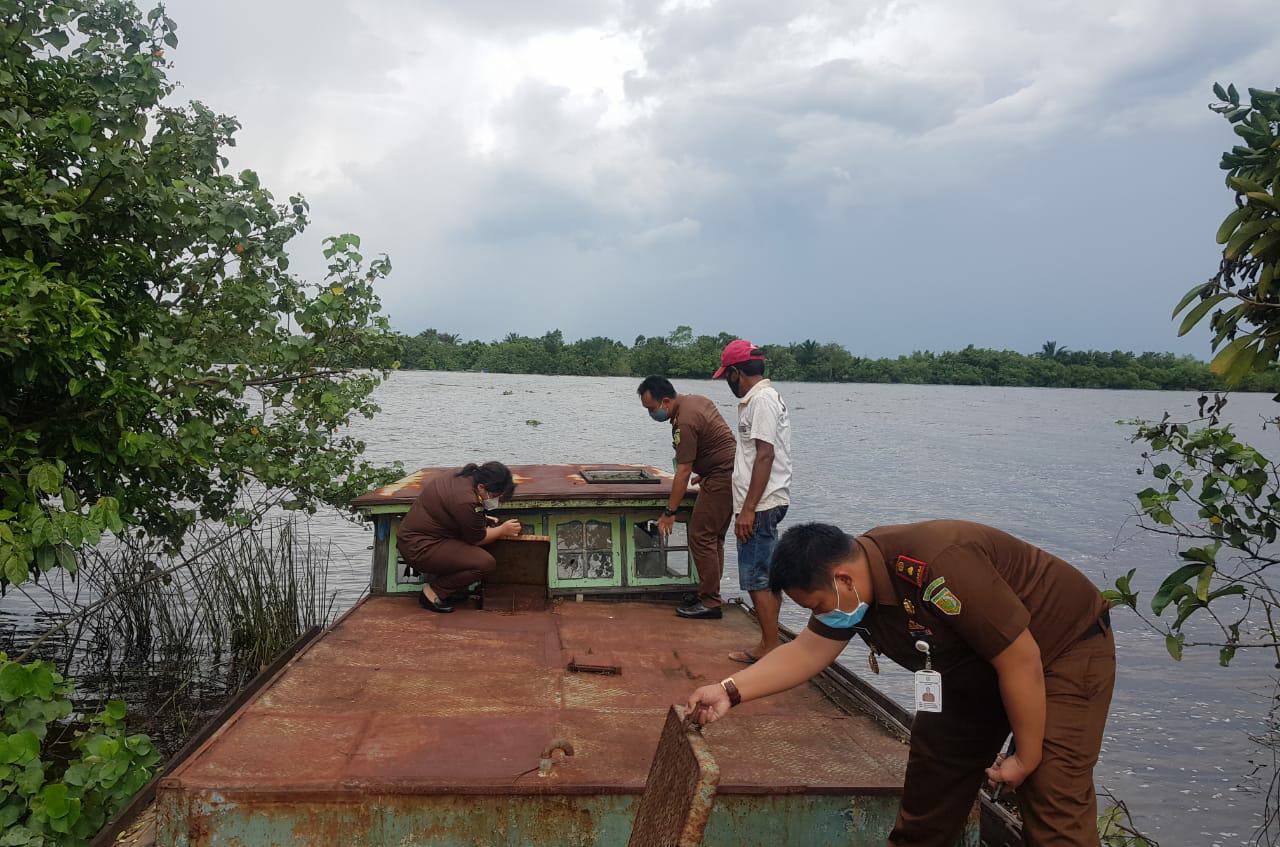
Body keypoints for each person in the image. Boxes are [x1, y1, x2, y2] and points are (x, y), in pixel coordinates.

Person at [686, 520, 1115, 847]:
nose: (821, 615)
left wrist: (1026, 756)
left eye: (817, 605)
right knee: (933, 777)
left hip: (1061, 650)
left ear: (843, 579)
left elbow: (1021, 660)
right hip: (973, 668)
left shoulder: (938, 566)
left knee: (1051, 793)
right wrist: (728, 690)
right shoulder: (854, 592)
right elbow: (806, 651)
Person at [712, 339, 792, 663]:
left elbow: (765, 455)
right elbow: (751, 455)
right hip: (759, 502)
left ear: (735, 373)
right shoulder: (758, 400)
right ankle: (771, 640)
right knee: (765, 573)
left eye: (726, 377)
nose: (727, 383)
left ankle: (769, 647)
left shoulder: (762, 402)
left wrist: (747, 510)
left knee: (757, 576)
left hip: (760, 505)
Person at [636, 375, 736, 619]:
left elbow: (682, 471)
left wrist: (669, 512)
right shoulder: (697, 401)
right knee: (714, 539)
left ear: (666, 401)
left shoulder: (685, 422)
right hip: (728, 472)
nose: (652, 414)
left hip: (722, 477)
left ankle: (710, 602)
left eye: (651, 408)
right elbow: (720, 441)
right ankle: (708, 592)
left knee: (702, 537)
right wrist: (708, 469)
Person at [397, 462, 523, 613]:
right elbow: (477, 539)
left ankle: (450, 591)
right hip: (419, 548)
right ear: (481, 487)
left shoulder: (465, 476)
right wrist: (503, 529)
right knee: (485, 564)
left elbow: (459, 514)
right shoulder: (466, 500)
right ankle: (432, 592)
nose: (496, 500)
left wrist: (483, 519)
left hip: (417, 539)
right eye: (495, 496)